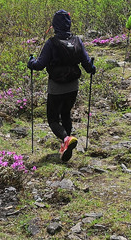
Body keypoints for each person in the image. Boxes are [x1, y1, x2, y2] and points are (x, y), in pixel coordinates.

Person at [27, 10, 96, 162]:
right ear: (69, 24)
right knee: (66, 113)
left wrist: (30, 62)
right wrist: (92, 67)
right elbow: (87, 65)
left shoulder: (51, 43)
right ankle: (66, 145)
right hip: (73, 87)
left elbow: (39, 65)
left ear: (54, 25)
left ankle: (66, 139)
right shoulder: (77, 40)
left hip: (56, 87)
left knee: (53, 119)